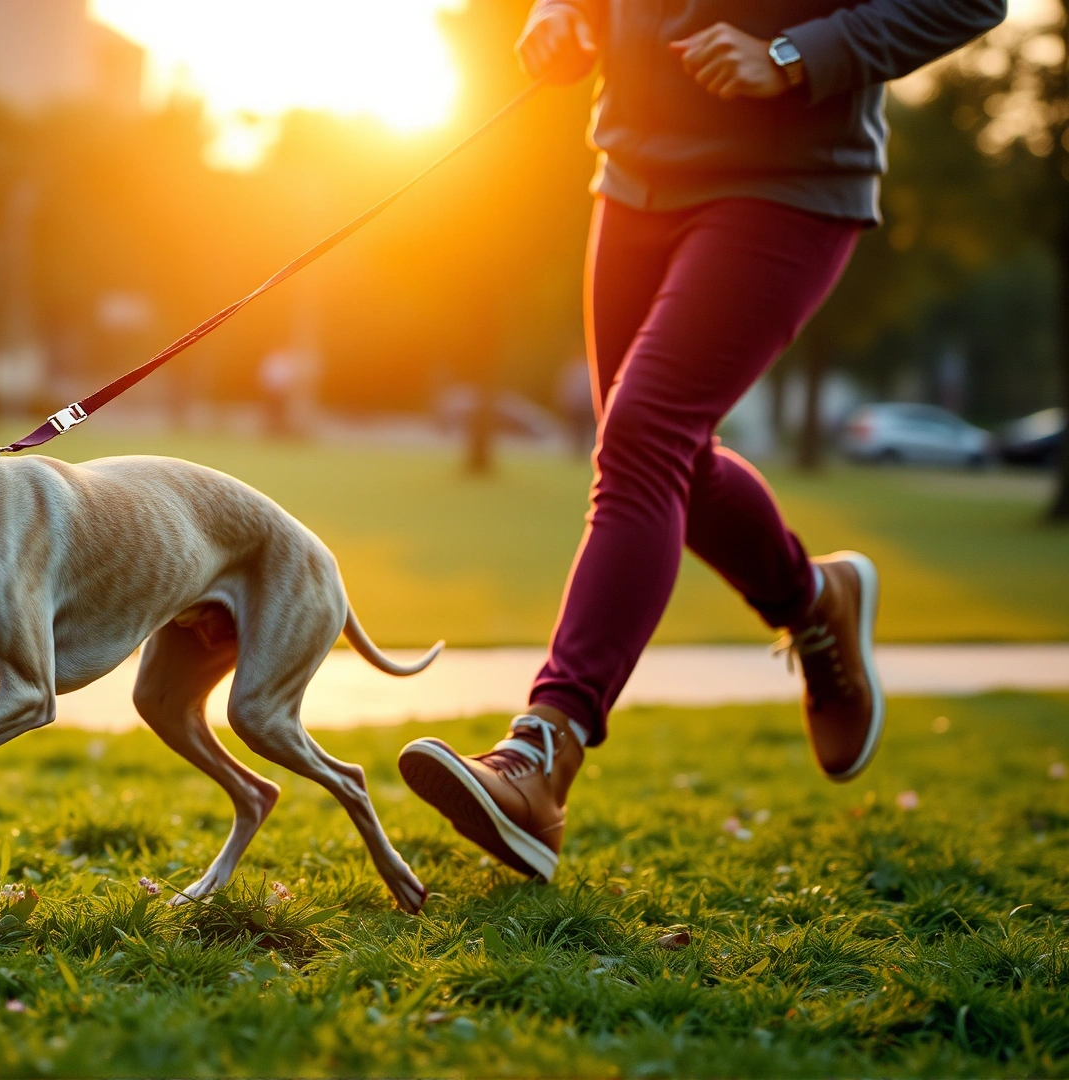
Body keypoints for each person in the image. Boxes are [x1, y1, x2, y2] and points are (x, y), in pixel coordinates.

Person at [397, 0, 1006, 882]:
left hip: (786, 180)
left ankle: (544, 753)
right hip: (634, 172)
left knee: (643, 441)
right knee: (661, 450)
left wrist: (796, 54)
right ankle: (814, 600)